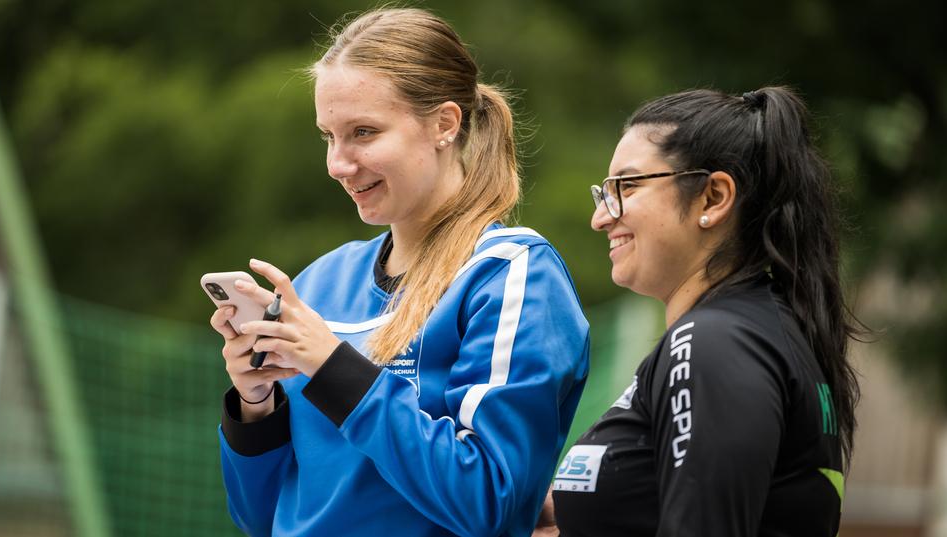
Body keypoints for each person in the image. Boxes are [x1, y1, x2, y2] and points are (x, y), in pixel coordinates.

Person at [207, 7, 590, 537]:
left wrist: (334, 369)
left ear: (444, 124)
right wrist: (256, 404)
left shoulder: (509, 273)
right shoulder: (320, 282)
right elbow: (263, 516)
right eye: (329, 136)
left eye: (363, 132)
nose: (338, 164)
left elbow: (488, 499)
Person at [535, 87, 861, 537]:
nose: (601, 218)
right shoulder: (748, 330)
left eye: (627, 187)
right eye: (604, 193)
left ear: (713, 198)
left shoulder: (713, 344)